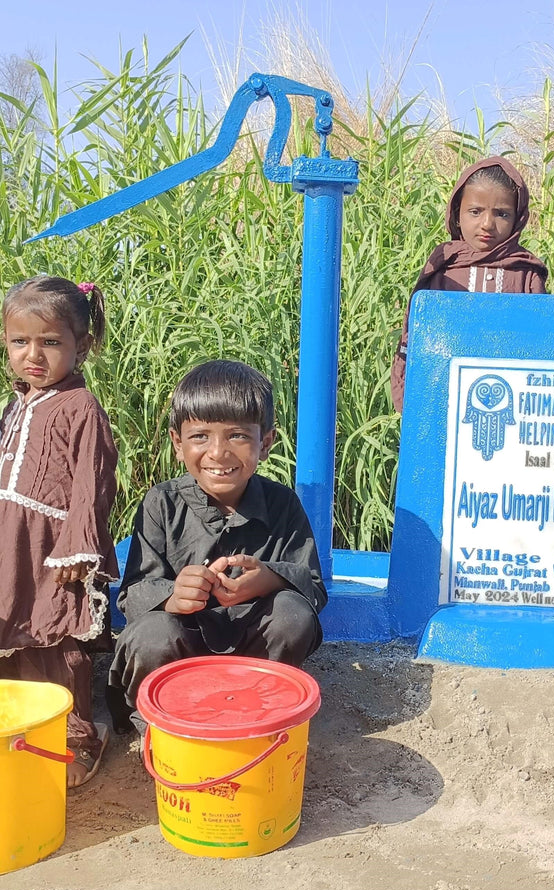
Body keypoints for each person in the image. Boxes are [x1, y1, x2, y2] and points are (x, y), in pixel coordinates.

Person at [108, 360, 326, 735]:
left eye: (238, 436)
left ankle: (264, 720)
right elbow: (133, 594)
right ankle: (160, 727)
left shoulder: (282, 504)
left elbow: (313, 586)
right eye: (200, 436)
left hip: (252, 657)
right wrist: (175, 597)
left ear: (266, 443)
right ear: (178, 443)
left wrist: (269, 580)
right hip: (180, 648)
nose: (219, 453)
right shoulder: (161, 503)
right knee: (153, 633)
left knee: (293, 614)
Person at [0, 275, 118, 787]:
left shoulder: (80, 407)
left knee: (56, 638)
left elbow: (92, 485)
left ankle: (77, 736)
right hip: (11, 544)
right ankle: (22, 726)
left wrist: (77, 548)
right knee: (15, 632)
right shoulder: (17, 403)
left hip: (54, 551)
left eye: (50, 342)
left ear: (82, 346)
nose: (33, 355)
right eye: (19, 342)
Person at [390, 155, 549, 412]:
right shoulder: (442, 269)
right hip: (443, 404)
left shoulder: (526, 274)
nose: (487, 224)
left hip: (512, 407)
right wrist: (410, 405)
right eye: (475, 211)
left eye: (502, 214)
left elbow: (542, 349)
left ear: (518, 218)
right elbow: (415, 343)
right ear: (457, 213)